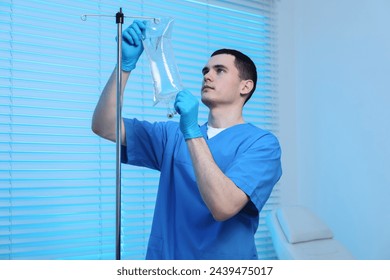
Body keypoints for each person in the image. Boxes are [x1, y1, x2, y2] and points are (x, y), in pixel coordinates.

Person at [92, 20, 282, 260]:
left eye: (219, 70)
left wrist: (192, 131)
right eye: (205, 71)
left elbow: (223, 206)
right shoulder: (172, 135)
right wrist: (124, 66)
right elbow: (104, 125)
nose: (207, 76)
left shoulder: (262, 145)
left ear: (246, 86)